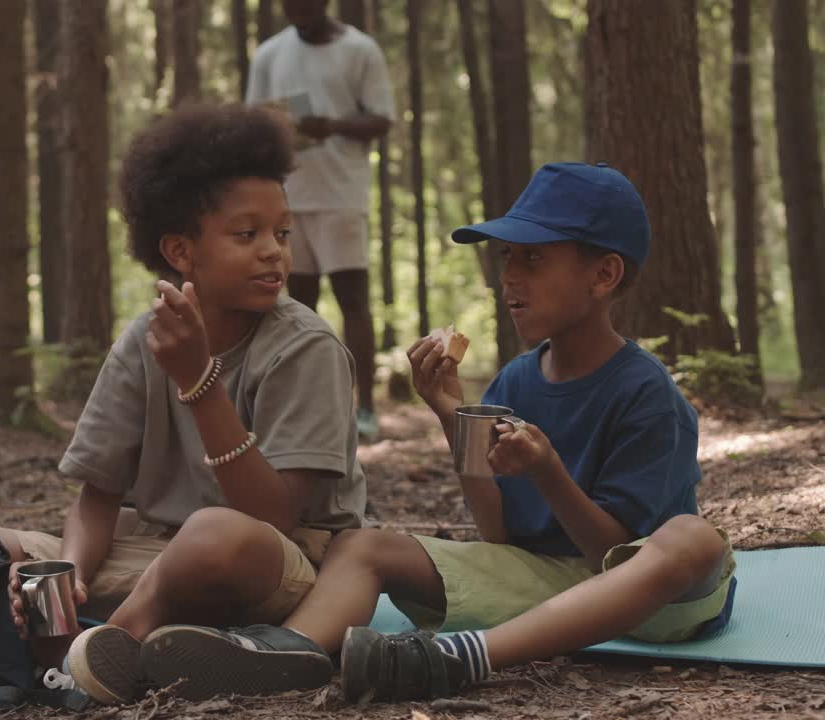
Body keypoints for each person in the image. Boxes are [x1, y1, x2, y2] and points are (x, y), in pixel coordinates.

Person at [137, 162, 738, 702]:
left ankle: (460, 658)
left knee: (693, 537)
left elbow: (612, 560)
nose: (510, 278)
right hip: (543, 583)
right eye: (506, 257)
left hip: (651, 600)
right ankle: (287, 652)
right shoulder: (518, 379)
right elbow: (499, 536)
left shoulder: (646, 393)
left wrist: (549, 473)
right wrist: (452, 414)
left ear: (604, 274)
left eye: (533, 258)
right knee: (363, 543)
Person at [0, 104, 367, 705]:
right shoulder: (143, 339)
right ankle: (74, 644)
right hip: (159, 552)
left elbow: (271, 518)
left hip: (277, 566)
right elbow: (97, 495)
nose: (274, 252)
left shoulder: (305, 347)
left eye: (282, 233)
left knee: (213, 535)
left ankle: (99, 648)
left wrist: (199, 383)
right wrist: (72, 575)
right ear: (181, 252)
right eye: (248, 234)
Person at [245, 0, 395, 440]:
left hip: (340, 194)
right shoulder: (270, 54)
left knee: (352, 299)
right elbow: (252, 118)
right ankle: (305, 407)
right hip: (287, 197)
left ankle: (364, 408)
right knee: (297, 305)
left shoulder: (359, 49)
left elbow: (381, 119)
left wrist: (330, 125)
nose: (298, 10)